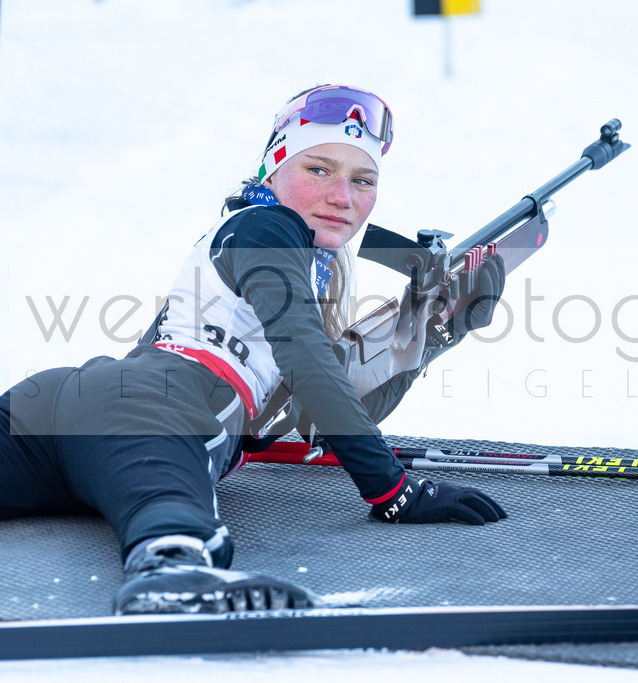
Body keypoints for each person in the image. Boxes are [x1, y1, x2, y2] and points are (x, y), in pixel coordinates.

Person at [0, 84, 507, 615]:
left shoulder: (269, 254)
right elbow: (309, 365)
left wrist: (431, 330)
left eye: (363, 180)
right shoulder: (267, 229)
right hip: (156, 410)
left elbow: (316, 408)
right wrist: (394, 490)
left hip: (71, 409)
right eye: (319, 170)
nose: (343, 196)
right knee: (174, 522)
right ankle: (173, 568)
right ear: (274, 165)